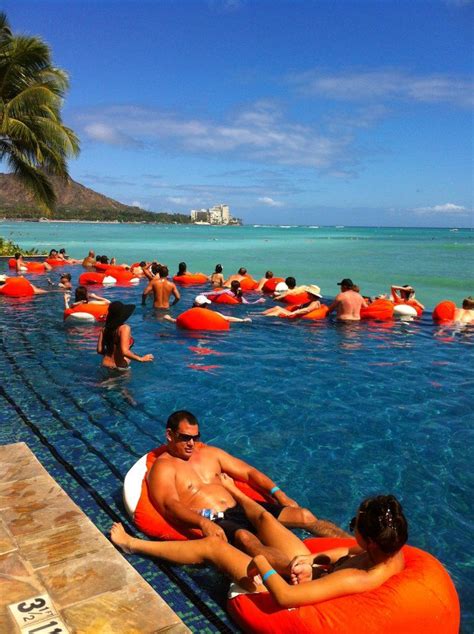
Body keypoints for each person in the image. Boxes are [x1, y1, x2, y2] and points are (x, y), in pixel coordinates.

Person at [111, 482, 407, 607]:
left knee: (214, 547)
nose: (350, 530)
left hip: (289, 593)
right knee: (266, 520)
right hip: (313, 575)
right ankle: (236, 493)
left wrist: (261, 564)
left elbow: (287, 598)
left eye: (353, 526)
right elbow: (346, 550)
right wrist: (314, 561)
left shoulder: (358, 577)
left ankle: (132, 544)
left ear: (370, 540)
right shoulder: (387, 550)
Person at [137, 411, 346, 567]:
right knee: (247, 539)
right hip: (214, 517)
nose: (192, 443)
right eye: (185, 437)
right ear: (170, 435)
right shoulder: (163, 467)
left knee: (304, 515)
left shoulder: (210, 454)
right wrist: (202, 522)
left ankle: (357, 547)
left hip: (242, 506)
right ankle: (302, 571)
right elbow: (169, 505)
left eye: (195, 437)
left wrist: (279, 494)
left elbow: (248, 473)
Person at [97, 301, 154, 369]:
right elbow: (125, 351)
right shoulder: (124, 328)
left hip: (105, 364)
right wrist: (141, 359)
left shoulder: (104, 329)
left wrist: (112, 354)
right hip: (118, 367)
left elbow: (100, 350)